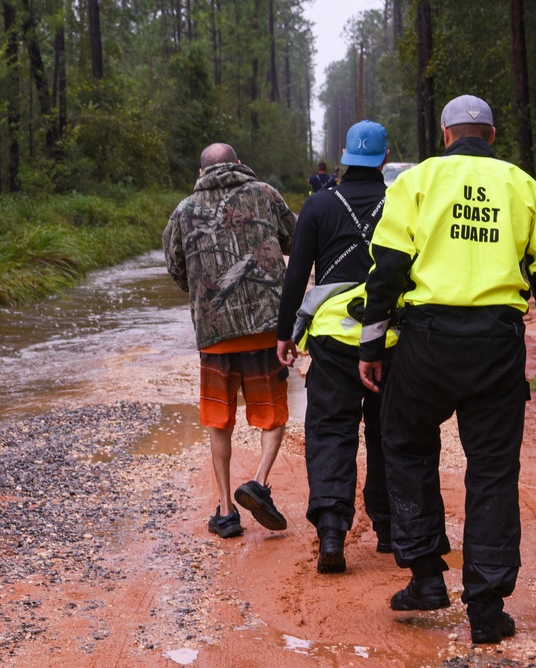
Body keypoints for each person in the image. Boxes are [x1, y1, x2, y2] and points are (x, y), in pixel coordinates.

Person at [357, 95, 536, 644]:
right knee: (493, 470)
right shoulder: (521, 186)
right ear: (492, 136)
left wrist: (370, 343)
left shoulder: (417, 182)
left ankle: (427, 577)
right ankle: (486, 609)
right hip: (496, 345)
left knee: (404, 445)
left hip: (426, 342)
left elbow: (386, 268)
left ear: (447, 135)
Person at [277, 120, 395, 574]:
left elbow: (296, 275)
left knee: (330, 430)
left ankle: (331, 530)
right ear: (385, 158)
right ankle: (389, 531)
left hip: (330, 338)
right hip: (388, 337)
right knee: (389, 433)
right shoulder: (402, 204)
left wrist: (284, 333)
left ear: (344, 156)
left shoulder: (319, 206)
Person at [163, 142, 297, 539]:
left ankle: (225, 511)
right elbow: (292, 240)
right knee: (272, 416)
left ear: (200, 171)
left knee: (219, 421)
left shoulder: (184, 210)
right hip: (265, 329)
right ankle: (257, 482)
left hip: (216, 337)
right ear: (239, 164)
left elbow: (176, 267)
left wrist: (205, 296)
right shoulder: (266, 194)